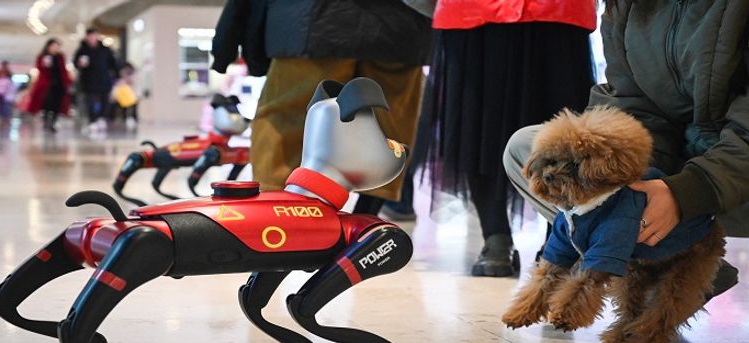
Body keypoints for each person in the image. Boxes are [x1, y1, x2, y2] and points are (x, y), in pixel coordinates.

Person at [503, 0, 747, 300]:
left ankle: (686, 266)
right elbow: (632, 104)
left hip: (731, 173)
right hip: (682, 160)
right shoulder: (628, 6)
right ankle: (669, 260)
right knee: (526, 149)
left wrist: (686, 193)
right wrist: (639, 187)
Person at [414, 0, 597, 277]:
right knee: (477, 125)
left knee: (560, 131)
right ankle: (497, 235)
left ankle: (556, 239)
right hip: (480, 12)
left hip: (552, 12)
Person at [212, 0, 432, 214]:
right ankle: (367, 219)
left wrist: (225, 43)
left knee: (288, 120)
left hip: (311, 21)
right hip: (399, 25)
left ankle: (274, 213)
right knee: (388, 121)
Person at [73, 28, 117, 133]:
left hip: (103, 80)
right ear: (87, 37)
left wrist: (116, 76)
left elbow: (113, 64)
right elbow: (76, 63)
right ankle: (92, 120)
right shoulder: (82, 50)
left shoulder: (105, 50)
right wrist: (79, 64)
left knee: (105, 101)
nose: (92, 38)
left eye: (94, 36)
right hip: (88, 81)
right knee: (89, 102)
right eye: (90, 36)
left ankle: (101, 118)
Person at [28, 39, 71, 132]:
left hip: (59, 85)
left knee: (57, 104)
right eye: (53, 46)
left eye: (57, 47)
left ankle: (52, 123)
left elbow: (63, 70)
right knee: (46, 103)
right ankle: (46, 121)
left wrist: (67, 82)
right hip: (46, 84)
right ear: (48, 46)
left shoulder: (60, 57)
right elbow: (40, 68)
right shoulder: (42, 56)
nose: (55, 48)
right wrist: (45, 65)